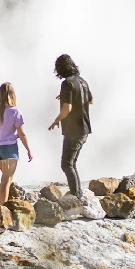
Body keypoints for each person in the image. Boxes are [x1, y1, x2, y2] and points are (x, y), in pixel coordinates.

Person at [48, 54, 92, 198]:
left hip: (74, 129)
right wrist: (68, 96)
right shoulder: (82, 81)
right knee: (71, 163)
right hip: (84, 128)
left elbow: (67, 109)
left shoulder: (67, 83)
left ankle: (76, 195)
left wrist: (56, 120)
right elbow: (90, 100)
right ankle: (77, 193)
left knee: (66, 164)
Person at [0, 82, 33, 205]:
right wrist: (29, 150)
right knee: (6, 181)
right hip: (9, 149)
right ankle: (1, 208)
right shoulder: (15, 112)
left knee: (5, 179)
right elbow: (22, 134)